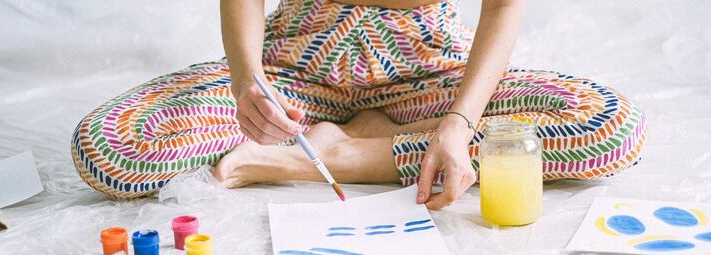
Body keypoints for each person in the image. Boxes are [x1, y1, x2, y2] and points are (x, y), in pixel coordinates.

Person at [72, 0, 645, 210]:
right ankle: (369, 133)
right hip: (297, 64)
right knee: (112, 151)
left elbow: (503, 6)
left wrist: (458, 122)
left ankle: (333, 156)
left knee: (605, 128)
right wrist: (250, 82)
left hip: (428, 67)